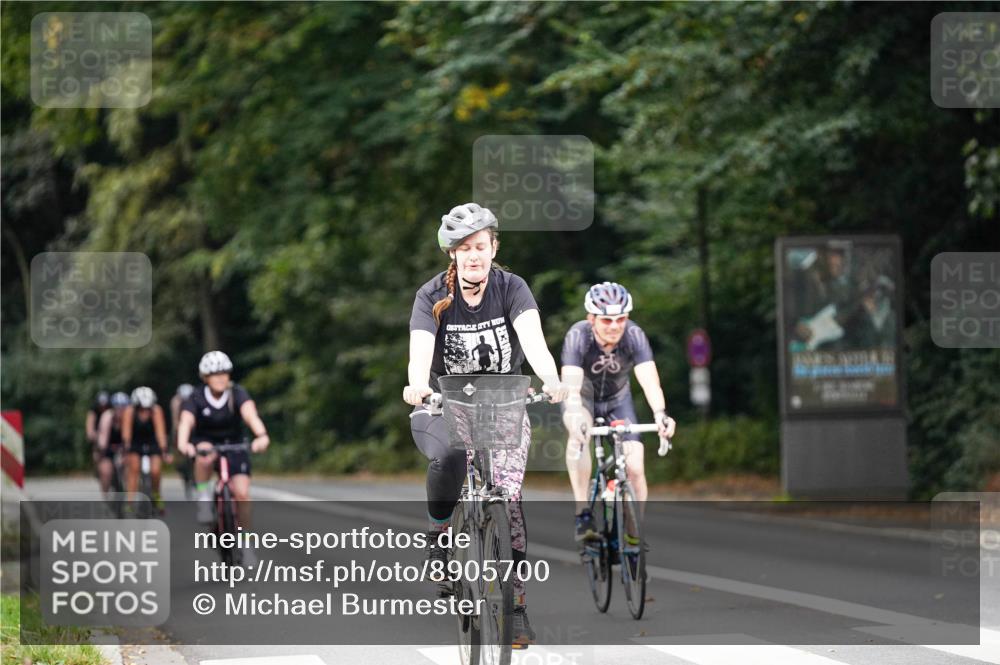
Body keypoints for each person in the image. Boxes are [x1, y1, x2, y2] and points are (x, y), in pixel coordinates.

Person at [403, 202, 568, 647]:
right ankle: (440, 535)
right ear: (452, 255)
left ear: (494, 248)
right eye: (464, 249)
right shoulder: (432, 295)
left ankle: (515, 608)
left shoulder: (512, 287)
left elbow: (532, 338)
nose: (473, 255)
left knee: (509, 503)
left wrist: (550, 379)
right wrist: (417, 384)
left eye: (481, 246)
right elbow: (421, 348)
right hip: (445, 402)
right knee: (450, 455)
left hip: (504, 405)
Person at [560, 282, 676, 543]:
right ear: (591, 319)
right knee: (578, 437)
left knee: (635, 467)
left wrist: (660, 414)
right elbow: (572, 388)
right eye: (607, 320)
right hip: (583, 399)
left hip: (617, 401)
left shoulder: (634, 335)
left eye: (621, 318)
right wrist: (576, 418)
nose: (614, 326)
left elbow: (649, 380)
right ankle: (583, 513)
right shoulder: (578, 336)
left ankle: (634, 533)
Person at [176, 351, 270, 566]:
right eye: (214, 374)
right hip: (207, 443)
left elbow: (250, 414)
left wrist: (261, 436)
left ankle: (246, 545)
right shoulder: (196, 398)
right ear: (205, 377)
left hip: (235, 445)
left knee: (242, 494)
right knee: (205, 455)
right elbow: (186, 422)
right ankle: (204, 499)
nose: (220, 378)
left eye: (224, 373)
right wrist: (184, 443)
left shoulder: (237, 393)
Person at [122, 387, 171, 515]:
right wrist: (126, 450)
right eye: (141, 409)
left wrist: (164, 450)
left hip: (152, 442)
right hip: (135, 443)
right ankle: (130, 501)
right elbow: (126, 433)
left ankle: (156, 494)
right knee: (134, 469)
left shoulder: (156, 411)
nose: (145, 412)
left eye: (147, 409)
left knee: (155, 470)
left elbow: (161, 432)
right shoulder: (129, 412)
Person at [96, 392, 130, 499]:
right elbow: (103, 438)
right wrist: (102, 450)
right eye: (118, 407)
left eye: (123, 407)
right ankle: (105, 496)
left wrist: (126, 452)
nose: (120, 410)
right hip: (108, 448)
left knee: (130, 468)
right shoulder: (107, 417)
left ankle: (130, 496)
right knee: (105, 471)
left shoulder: (129, 418)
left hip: (125, 449)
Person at [171, 384, 196, 498]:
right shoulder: (176, 402)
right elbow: (176, 421)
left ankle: (196, 476)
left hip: (195, 431)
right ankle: (185, 476)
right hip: (180, 430)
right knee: (181, 460)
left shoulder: (196, 400)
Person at [86, 391, 110, 469]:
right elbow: (90, 426)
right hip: (99, 434)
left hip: (109, 434)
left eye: (105, 406)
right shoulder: (93, 412)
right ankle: (98, 468)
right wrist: (92, 435)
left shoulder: (111, 412)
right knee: (97, 453)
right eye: (101, 406)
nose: (103, 408)